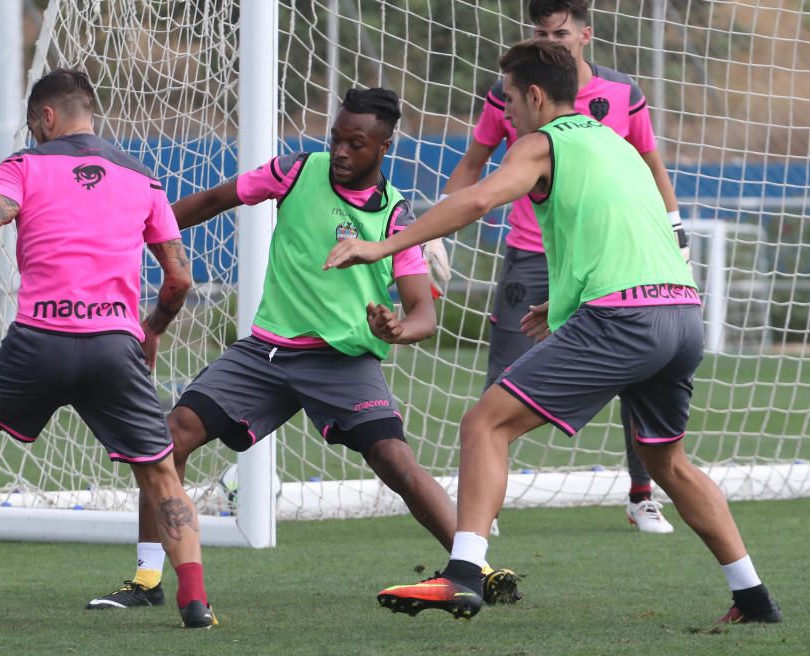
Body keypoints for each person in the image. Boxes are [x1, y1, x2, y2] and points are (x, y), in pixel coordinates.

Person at [325, 41, 781, 625]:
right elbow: (616, 236)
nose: (505, 109)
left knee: (483, 423)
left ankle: (463, 575)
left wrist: (381, 245)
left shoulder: (540, 143)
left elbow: (483, 198)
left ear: (536, 96)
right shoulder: (613, 143)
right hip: (680, 315)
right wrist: (562, 307)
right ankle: (753, 597)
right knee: (669, 464)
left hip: (623, 321)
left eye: (510, 98)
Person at [86, 87, 521, 611]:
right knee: (170, 437)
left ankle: (477, 570)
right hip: (265, 355)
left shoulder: (397, 219)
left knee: (395, 460)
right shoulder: (294, 171)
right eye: (336, 138)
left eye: (355, 143)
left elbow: (422, 314)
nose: (339, 151)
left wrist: (395, 329)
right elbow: (215, 199)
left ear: (383, 147)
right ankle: (148, 579)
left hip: (343, 362)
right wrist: (142, 230)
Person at [0, 69, 217, 629]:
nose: (31, 134)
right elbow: (179, 278)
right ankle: (194, 600)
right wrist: (150, 329)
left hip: (39, 341)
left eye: (33, 125)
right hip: (113, 349)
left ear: (46, 118)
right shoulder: (143, 179)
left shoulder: (24, 166)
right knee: (159, 473)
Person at [424, 0, 686, 533]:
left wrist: (674, 231)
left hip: (603, 258)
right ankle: (483, 507)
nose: (553, 40)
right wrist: (434, 237)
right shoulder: (509, 89)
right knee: (504, 371)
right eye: (542, 31)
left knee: (634, 372)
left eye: (561, 32)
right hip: (532, 250)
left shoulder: (621, 94)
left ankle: (641, 494)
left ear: (585, 34)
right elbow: (474, 166)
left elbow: (648, 164)